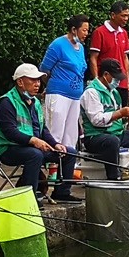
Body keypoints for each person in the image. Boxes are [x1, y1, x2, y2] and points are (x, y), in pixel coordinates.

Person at [0, 63, 71, 203]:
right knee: (34, 155)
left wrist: (55, 144)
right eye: (33, 80)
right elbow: (10, 132)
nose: (37, 84)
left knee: (68, 152)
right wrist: (34, 140)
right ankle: (29, 199)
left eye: (39, 80)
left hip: (32, 146)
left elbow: (42, 129)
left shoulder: (35, 102)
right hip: (8, 149)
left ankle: (62, 193)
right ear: (20, 82)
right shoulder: (7, 102)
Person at [79, 60, 129, 179]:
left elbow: (118, 119)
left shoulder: (114, 92)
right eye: (115, 77)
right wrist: (120, 113)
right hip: (96, 137)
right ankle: (114, 177)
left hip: (116, 133)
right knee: (112, 141)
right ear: (106, 75)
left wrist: (127, 118)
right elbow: (97, 120)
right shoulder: (91, 92)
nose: (118, 81)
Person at [40, 16, 89, 178]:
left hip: (75, 97)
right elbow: (44, 70)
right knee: (55, 132)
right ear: (74, 30)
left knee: (71, 135)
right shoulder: (57, 45)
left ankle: (66, 173)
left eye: (88, 30)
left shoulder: (80, 48)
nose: (86, 34)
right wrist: (53, 86)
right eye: (84, 30)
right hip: (58, 95)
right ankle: (52, 170)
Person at [87, 3, 129, 106]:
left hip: (121, 82)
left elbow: (125, 58)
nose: (126, 18)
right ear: (113, 15)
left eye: (127, 15)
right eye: (123, 15)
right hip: (106, 82)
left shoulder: (124, 33)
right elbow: (93, 58)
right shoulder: (99, 32)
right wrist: (96, 81)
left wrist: (128, 82)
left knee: (122, 116)